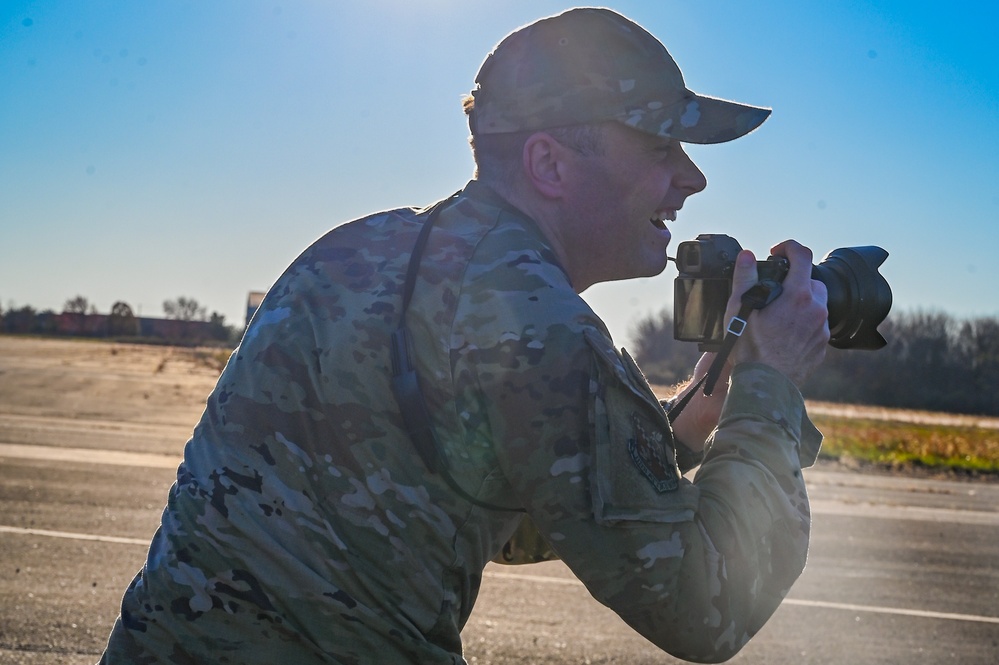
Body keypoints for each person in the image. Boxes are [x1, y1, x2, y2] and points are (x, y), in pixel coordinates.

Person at [99, 7, 829, 664]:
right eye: (659, 146)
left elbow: (462, 503)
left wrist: (682, 429)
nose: (691, 177)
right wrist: (769, 385)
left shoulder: (354, 252)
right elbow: (706, 607)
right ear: (548, 163)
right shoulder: (543, 328)